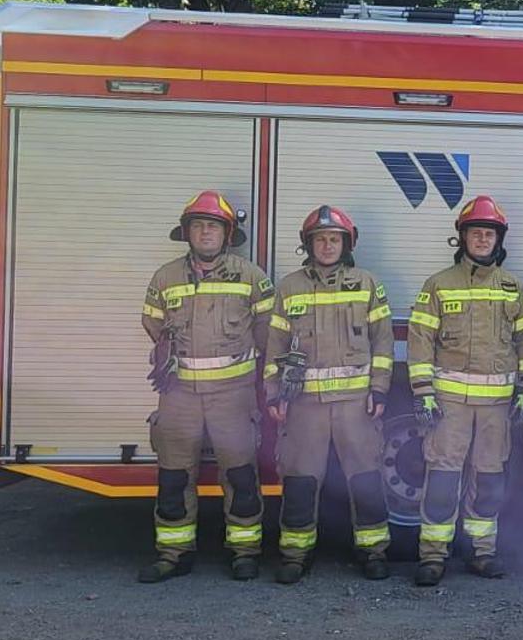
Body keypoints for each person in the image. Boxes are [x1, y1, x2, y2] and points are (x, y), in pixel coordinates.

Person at [137, 190, 273, 583]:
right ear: (187, 233)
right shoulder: (165, 277)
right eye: (198, 226)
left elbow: (268, 335)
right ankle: (173, 554)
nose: (205, 233)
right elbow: (152, 323)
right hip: (178, 394)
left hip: (233, 395)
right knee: (174, 478)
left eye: (212, 226)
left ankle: (245, 552)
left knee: (242, 477)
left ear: (226, 234)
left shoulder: (251, 276)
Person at [406, 195, 523, 586]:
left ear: (498, 241)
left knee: (490, 480)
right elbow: (419, 343)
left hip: (497, 406)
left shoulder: (513, 288)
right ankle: (432, 555)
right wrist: (423, 393)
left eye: (489, 234)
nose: (482, 239)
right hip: (448, 405)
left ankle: (483, 551)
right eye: (475, 233)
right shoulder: (438, 285)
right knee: (443, 479)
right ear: (462, 238)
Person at [263, 206, 396, 583]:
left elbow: (382, 344)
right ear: (309, 245)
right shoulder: (289, 287)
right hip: (304, 406)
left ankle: (373, 552)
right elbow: (274, 345)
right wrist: (275, 394)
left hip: (357, 405)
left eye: (333, 239)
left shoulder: (368, 284)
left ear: (346, 243)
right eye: (320, 239)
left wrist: (380, 390)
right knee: (301, 480)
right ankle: (294, 554)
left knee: (366, 479)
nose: (326, 245)